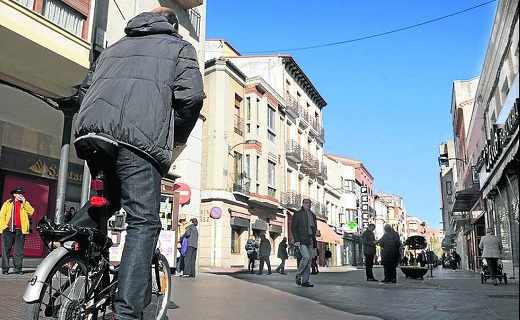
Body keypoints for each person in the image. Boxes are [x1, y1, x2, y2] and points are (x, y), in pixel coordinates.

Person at [71, 7, 205, 319]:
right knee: (143, 222)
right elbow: (192, 97)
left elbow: (84, 91)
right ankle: (126, 311)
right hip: (137, 141)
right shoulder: (179, 47)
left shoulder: (113, 48)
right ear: (172, 26)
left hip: (92, 135)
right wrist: (174, 138)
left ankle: (70, 237)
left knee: (108, 200)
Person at [1, 186, 35, 275]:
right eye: (19, 194)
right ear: (14, 194)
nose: (20, 195)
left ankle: (17, 269)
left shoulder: (25, 203)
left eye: (21, 194)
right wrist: (3, 228)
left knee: (19, 251)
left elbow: (31, 212)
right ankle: (5, 269)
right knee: (6, 250)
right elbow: (1, 216)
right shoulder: (8, 203)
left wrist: (24, 203)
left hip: (20, 230)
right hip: (8, 230)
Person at [291, 198, 321, 287]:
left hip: (311, 239)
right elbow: (294, 228)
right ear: (303, 203)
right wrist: (297, 240)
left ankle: (305, 281)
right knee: (306, 257)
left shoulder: (313, 215)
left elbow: (314, 228)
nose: (308, 205)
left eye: (309, 203)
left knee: (309, 261)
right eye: (306, 203)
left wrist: (317, 233)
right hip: (302, 239)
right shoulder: (298, 214)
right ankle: (298, 275)